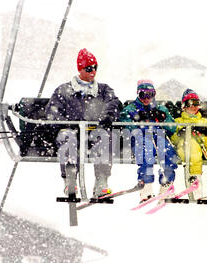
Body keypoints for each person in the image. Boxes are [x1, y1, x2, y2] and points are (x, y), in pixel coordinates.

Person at [46, 48, 120, 198]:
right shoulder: (64, 90)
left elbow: (113, 103)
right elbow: (53, 111)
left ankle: (101, 181)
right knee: (67, 138)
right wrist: (67, 124)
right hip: (73, 130)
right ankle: (70, 180)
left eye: (95, 67)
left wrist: (104, 119)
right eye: (89, 68)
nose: (93, 71)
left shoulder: (103, 90)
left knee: (105, 136)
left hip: (95, 131)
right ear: (80, 69)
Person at [120, 80, 179, 203]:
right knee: (146, 151)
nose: (147, 98)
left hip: (158, 135)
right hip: (140, 136)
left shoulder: (160, 108)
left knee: (167, 151)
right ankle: (146, 185)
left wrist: (162, 119)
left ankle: (166, 183)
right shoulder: (131, 109)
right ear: (138, 94)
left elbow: (172, 127)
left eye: (150, 94)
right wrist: (137, 121)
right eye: (143, 95)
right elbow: (125, 124)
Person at [170, 88, 207, 198]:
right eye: (189, 103)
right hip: (185, 147)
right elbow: (172, 139)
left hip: (203, 145)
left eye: (195, 103)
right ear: (184, 106)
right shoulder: (178, 122)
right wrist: (180, 134)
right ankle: (195, 180)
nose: (192, 106)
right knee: (193, 148)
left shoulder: (205, 122)